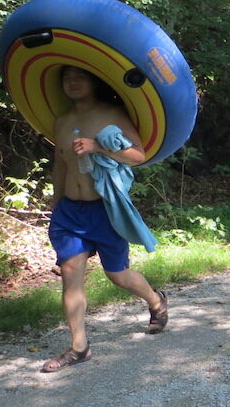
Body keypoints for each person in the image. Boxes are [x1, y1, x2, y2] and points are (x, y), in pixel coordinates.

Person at [41, 66, 168, 373]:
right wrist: (57, 203)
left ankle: (156, 300)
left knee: (118, 275)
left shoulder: (112, 114)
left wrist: (99, 147)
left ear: (94, 81)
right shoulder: (62, 121)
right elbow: (60, 163)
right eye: (66, 77)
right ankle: (79, 347)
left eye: (79, 76)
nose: (72, 81)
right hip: (69, 212)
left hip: (105, 211)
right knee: (71, 276)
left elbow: (139, 155)